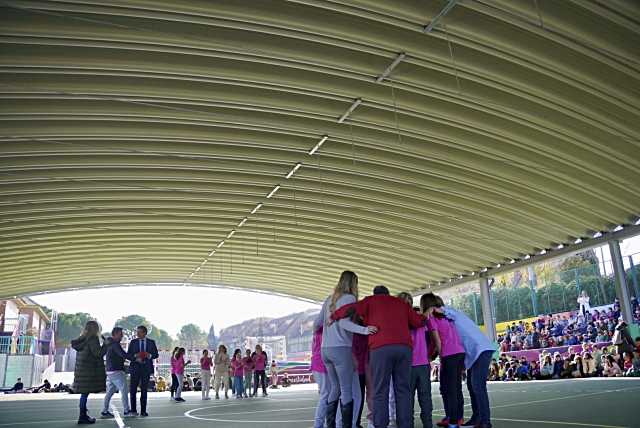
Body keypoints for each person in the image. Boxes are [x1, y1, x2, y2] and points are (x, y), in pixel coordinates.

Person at [331, 284, 425, 428]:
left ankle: (380, 425)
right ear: (388, 294)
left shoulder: (370, 301)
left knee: (380, 390)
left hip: (380, 349)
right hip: (404, 348)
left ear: (375, 294)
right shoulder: (400, 303)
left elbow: (351, 309)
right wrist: (425, 316)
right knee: (403, 390)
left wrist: (334, 315)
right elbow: (418, 322)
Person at [316, 271, 377, 428]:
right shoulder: (349, 299)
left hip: (325, 350)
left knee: (334, 388)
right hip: (341, 348)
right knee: (346, 390)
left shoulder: (329, 299)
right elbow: (344, 323)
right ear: (353, 283)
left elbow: (317, 324)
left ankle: (331, 425)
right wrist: (365, 329)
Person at [440, 297, 496, 428]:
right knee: (471, 385)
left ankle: (485, 421)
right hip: (475, 353)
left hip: (480, 350)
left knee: (478, 386)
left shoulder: (451, 313)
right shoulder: (450, 321)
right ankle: (477, 418)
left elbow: (447, 312)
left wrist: (436, 309)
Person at [421, 294, 465, 428]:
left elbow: (437, 340)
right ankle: (456, 418)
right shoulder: (447, 317)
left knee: (449, 389)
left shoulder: (431, 318)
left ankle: (453, 421)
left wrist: (440, 356)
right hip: (459, 352)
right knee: (454, 387)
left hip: (449, 355)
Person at [398, 293, 432, 428]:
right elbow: (432, 338)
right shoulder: (420, 318)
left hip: (415, 365)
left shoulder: (400, 320)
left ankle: (422, 424)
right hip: (416, 365)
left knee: (414, 400)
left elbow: (431, 338)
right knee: (420, 399)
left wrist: (430, 355)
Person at [71, 320, 108, 424]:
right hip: (89, 372)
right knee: (84, 394)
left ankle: (82, 415)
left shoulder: (81, 339)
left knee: (84, 394)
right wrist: (105, 345)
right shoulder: (92, 339)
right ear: (96, 329)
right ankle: (82, 416)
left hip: (81, 372)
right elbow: (98, 353)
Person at [101, 327, 134, 418]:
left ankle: (104, 411)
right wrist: (135, 357)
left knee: (110, 392)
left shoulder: (110, 344)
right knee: (124, 390)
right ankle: (127, 411)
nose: (122, 336)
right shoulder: (115, 344)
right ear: (115, 334)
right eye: (120, 334)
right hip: (116, 371)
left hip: (110, 371)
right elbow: (123, 354)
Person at [127, 325, 159, 417]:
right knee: (133, 390)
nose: (137, 334)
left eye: (139, 332)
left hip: (146, 369)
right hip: (135, 369)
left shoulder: (151, 342)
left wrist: (149, 355)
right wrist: (135, 356)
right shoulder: (133, 342)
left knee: (144, 390)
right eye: (137, 332)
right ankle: (133, 410)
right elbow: (129, 355)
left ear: (144, 333)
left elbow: (156, 354)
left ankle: (143, 411)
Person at [311, 327, 329, 428]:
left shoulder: (317, 331)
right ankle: (319, 424)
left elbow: (313, 349)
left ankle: (322, 423)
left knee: (326, 394)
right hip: (322, 363)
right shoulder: (323, 331)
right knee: (326, 395)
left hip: (317, 363)